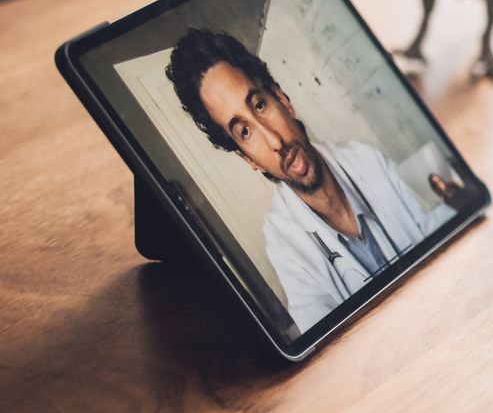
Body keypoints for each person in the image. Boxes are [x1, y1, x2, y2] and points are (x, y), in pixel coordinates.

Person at [167, 27, 455, 332]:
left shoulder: (365, 158)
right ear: (247, 159)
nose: (275, 141)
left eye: (260, 105)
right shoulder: (283, 244)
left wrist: (454, 204)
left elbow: (431, 229)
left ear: (283, 100)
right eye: (245, 132)